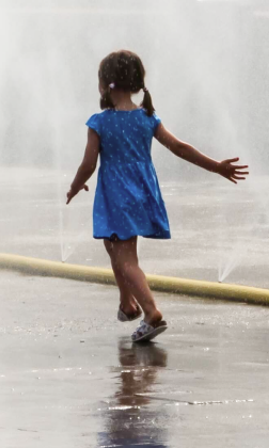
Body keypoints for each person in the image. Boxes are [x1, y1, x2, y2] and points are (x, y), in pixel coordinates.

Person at [66, 50, 248, 343]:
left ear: (104, 84)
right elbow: (179, 148)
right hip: (141, 191)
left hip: (116, 194)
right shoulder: (147, 118)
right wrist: (216, 166)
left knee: (126, 259)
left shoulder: (99, 123)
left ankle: (151, 312)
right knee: (115, 247)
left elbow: (89, 164)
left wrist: (75, 186)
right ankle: (127, 304)